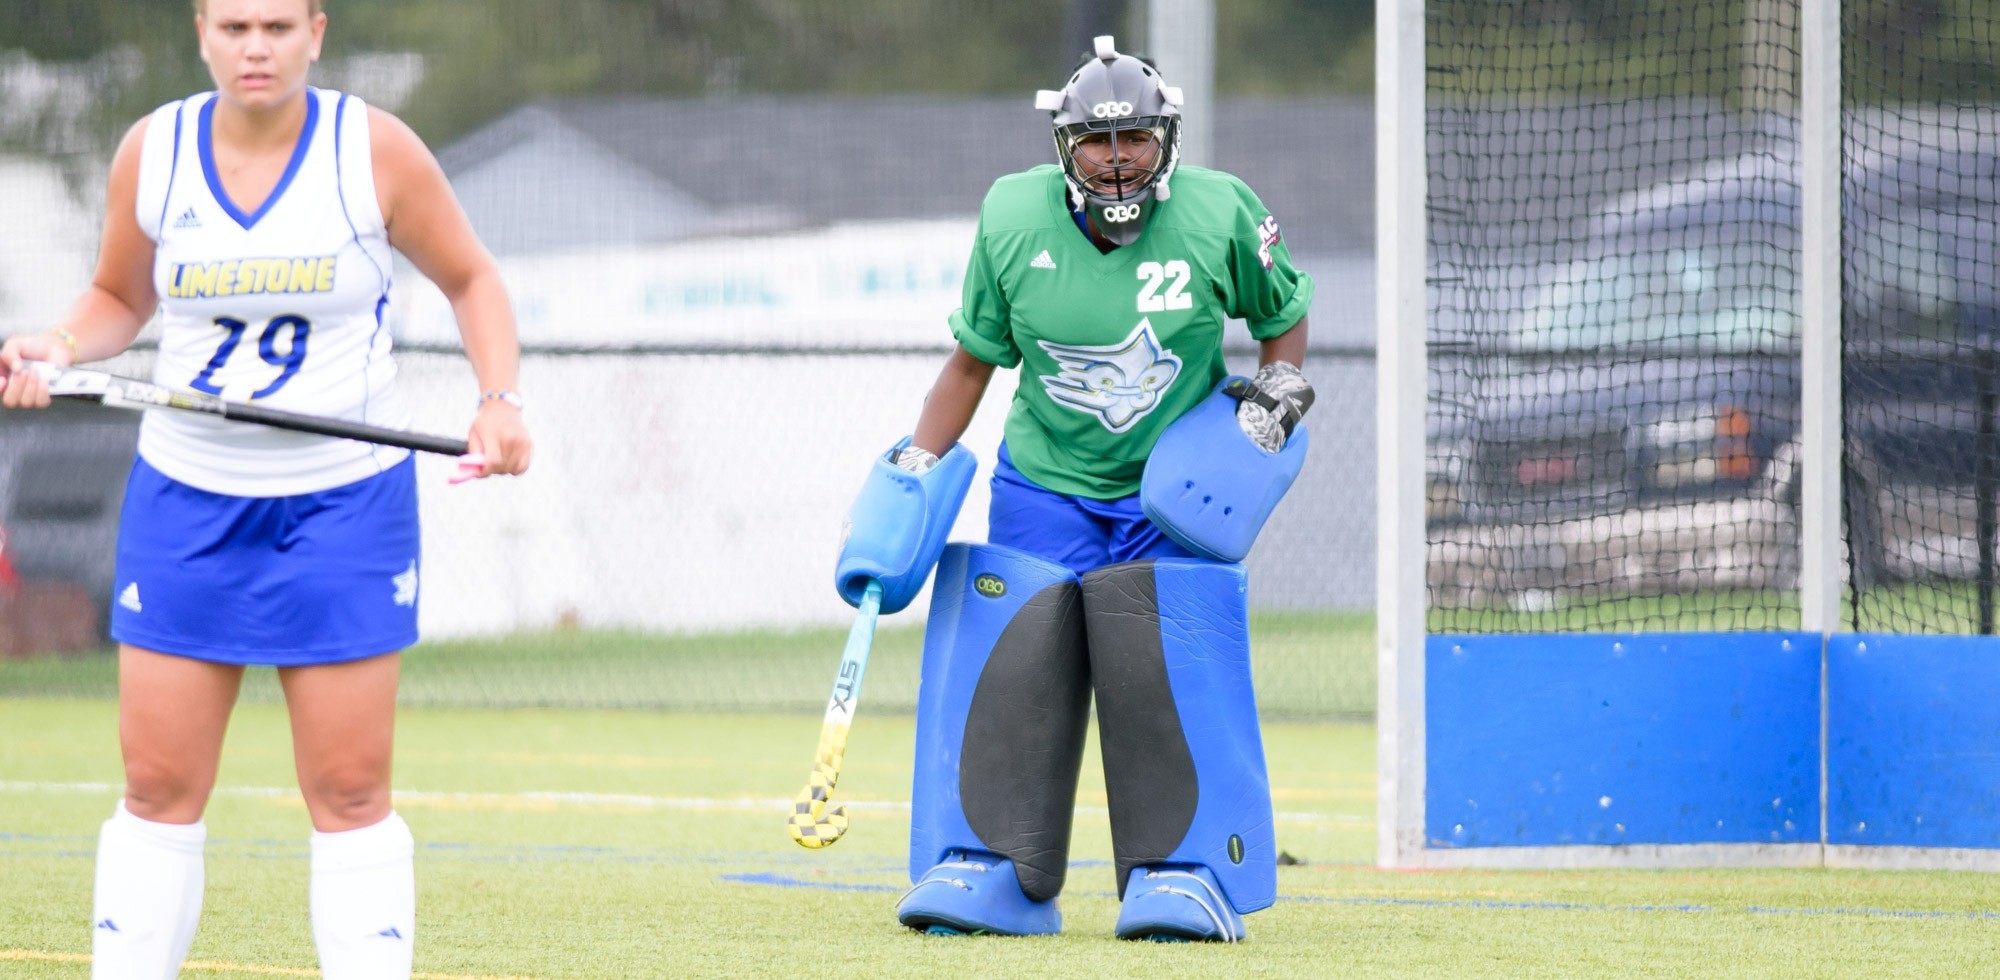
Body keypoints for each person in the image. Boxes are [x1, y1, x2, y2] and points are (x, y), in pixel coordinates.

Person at [0, 1, 530, 975]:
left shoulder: (372, 151)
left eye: (278, 26)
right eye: (236, 25)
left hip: (342, 507)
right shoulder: (151, 153)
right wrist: (60, 344)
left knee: (350, 788)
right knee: (157, 785)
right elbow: (119, 297)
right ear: (202, 30)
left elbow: (473, 280)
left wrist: (497, 399)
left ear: (316, 32)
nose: (256, 47)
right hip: (187, 499)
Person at [834, 36, 1314, 942]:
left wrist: (1279, 394)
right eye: (1097, 141)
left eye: (1134, 136)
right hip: (1047, 483)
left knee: (1165, 672)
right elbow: (973, 364)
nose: (1117, 157)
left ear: (1165, 137)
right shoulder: (1012, 217)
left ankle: (1188, 868)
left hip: (1170, 493)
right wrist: (913, 466)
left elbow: (1283, 321)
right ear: (1065, 146)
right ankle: (993, 866)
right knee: (1017, 660)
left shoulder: (1220, 211)